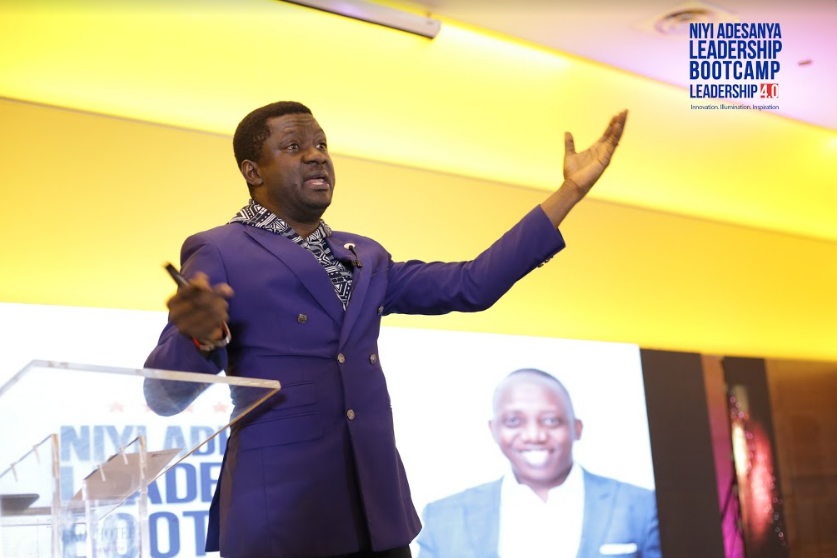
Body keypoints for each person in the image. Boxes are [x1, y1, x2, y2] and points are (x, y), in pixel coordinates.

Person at [144, 101, 628, 558]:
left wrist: (570, 191)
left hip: (375, 512)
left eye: (322, 144)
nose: (316, 155)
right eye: (294, 147)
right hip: (283, 516)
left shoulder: (365, 255)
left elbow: (471, 284)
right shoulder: (220, 249)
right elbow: (164, 396)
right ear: (253, 171)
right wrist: (200, 336)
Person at [416, 369, 660, 558]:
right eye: (513, 421)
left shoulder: (643, 506)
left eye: (551, 420)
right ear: (494, 430)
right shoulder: (443, 516)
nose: (534, 435)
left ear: (577, 428)